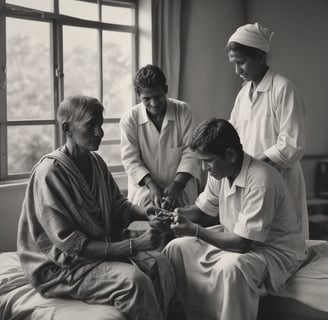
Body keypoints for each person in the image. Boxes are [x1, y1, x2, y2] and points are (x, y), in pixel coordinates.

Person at [17, 95, 176, 320]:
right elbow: (73, 246)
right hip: (61, 268)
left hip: (95, 251)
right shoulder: (49, 173)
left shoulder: (96, 162)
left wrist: (147, 213)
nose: (99, 132)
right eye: (91, 125)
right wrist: (135, 244)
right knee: (134, 281)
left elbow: (117, 206)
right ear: (67, 128)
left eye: (100, 124)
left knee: (160, 263)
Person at [163, 118, 307, 320]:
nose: (204, 168)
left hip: (274, 250)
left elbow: (242, 244)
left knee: (231, 268)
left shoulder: (261, 179)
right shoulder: (219, 173)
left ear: (230, 154)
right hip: (234, 237)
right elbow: (203, 212)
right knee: (177, 248)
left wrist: (194, 230)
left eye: (208, 161)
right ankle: (188, 315)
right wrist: (170, 215)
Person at [226, 23, 309, 239]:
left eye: (241, 62)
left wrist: (253, 168)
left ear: (259, 56)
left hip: (279, 179)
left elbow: (292, 144)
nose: (237, 71)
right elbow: (231, 136)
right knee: (252, 238)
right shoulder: (243, 95)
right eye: (234, 64)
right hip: (251, 182)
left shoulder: (283, 89)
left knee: (282, 238)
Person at [120, 64, 200, 211]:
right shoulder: (130, 119)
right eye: (147, 98)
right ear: (139, 96)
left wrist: (177, 184)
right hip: (145, 190)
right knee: (150, 228)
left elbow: (191, 151)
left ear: (166, 90)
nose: (154, 103)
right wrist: (151, 185)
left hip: (181, 187)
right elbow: (131, 160)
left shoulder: (183, 111)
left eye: (158, 96)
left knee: (183, 229)